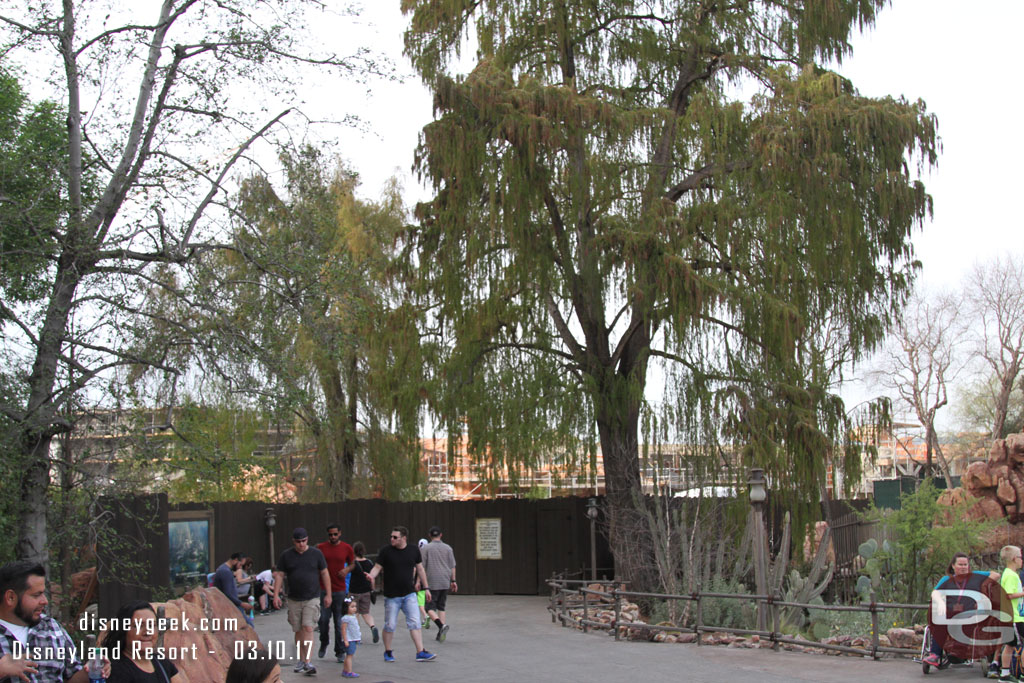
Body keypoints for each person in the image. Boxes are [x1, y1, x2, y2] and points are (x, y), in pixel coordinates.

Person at [0, 560, 109, 683]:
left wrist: (91, 670)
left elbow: (71, 677)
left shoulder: (51, 627)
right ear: (10, 598)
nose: (45, 601)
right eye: (37, 595)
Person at [367, 526, 436, 663]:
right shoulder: (386, 551)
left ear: (403, 538)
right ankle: (388, 651)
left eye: (395, 537)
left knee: (415, 623)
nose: (391, 539)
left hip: (409, 594)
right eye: (391, 536)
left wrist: (426, 587)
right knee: (390, 625)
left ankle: (420, 652)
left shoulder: (413, 550)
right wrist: (371, 576)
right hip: (392, 596)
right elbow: (377, 567)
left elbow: (420, 569)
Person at [923, 551, 1001, 667]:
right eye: (960, 564)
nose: (964, 567)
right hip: (950, 612)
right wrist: (939, 602)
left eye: (965, 565)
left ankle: (958, 653)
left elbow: (996, 575)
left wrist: (984, 585)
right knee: (940, 623)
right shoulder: (946, 579)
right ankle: (935, 654)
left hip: (969, 613)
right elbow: (935, 593)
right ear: (953, 566)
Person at [273, 528, 331, 676]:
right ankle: (301, 659)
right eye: (298, 542)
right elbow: (279, 575)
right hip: (294, 598)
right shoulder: (286, 556)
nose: (301, 544)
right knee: (298, 629)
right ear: (294, 541)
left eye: (304, 541)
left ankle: (308, 661)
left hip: (312, 597)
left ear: (307, 539)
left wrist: (328, 594)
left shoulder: (316, 554)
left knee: (308, 627)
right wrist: (275, 595)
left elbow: (324, 572)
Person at [103, 600, 180, 683]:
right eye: (139, 626)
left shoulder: (162, 664)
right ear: (123, 630)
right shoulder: (115, 670)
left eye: (152, 625)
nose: (147, 632)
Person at [315, 523, 354, 661]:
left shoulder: (346, 548)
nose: (333, 537)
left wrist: (347, 569)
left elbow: (353, 563)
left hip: (340, 589)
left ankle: (340, 651)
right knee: (324, 620)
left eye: (335, 534)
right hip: (325, 589)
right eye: (330, 534)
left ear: (340, 533)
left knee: (339, 622)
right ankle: (324, 642)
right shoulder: (321, 548)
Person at [420, 526, 457, 643]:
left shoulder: (425, 548)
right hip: (445, 580)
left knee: (429, 607)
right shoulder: (448, 548)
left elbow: (421, 567)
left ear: (429, 535)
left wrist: (418, 582)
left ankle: (441, 626)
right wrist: (453, 581)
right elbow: (452, 566)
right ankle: (442, 632)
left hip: (432, 581)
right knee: (441, 606)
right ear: (441, 535)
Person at [996, 545, 1024, 682]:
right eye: (1020, 557)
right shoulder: (1011, 575)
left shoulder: (1009, 574)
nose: (1022, 560)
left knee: (1010, 645)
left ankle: (1005, 674)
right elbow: (1009, 594)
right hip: (1014, 617)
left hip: (1011, 616)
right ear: (1014, 559)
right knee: (1015, 645)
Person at [347, 543, 379, 644]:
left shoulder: (352, 564)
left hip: (354, 591)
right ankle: (373, 627)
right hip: (366, 591)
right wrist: (372, 590)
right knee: (366, 613)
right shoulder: (369, 563)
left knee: (354, 613)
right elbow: (372, 579)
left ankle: (357, 636)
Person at [213, 552, 253, 627]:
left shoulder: (224, 570)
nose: (240, 568)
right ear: (235, 560)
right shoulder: (225, 572)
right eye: (240, 564)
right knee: (249, 626)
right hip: (230, 605)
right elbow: (228, 593)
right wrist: (241, 603)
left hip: (232, 603)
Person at [339, 597, 361, 678]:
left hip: (353, 639)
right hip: (349, 639)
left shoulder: (353, 616)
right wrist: (345, 640)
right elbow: (343, 630)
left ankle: (345, 670)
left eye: (355, 606)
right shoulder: (346, 618)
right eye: (352, 607)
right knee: (349, 656)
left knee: (349, 655)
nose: (354, 608)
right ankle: (349, 671)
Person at [415, 540, 430, 630]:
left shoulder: (419, 555)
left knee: (420, 603)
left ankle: (425, 616)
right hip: (429, 582)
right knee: (427, 601)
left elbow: (419, 570)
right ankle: (427, 617)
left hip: (421, 583)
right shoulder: (429, 553)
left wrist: (417, 581)